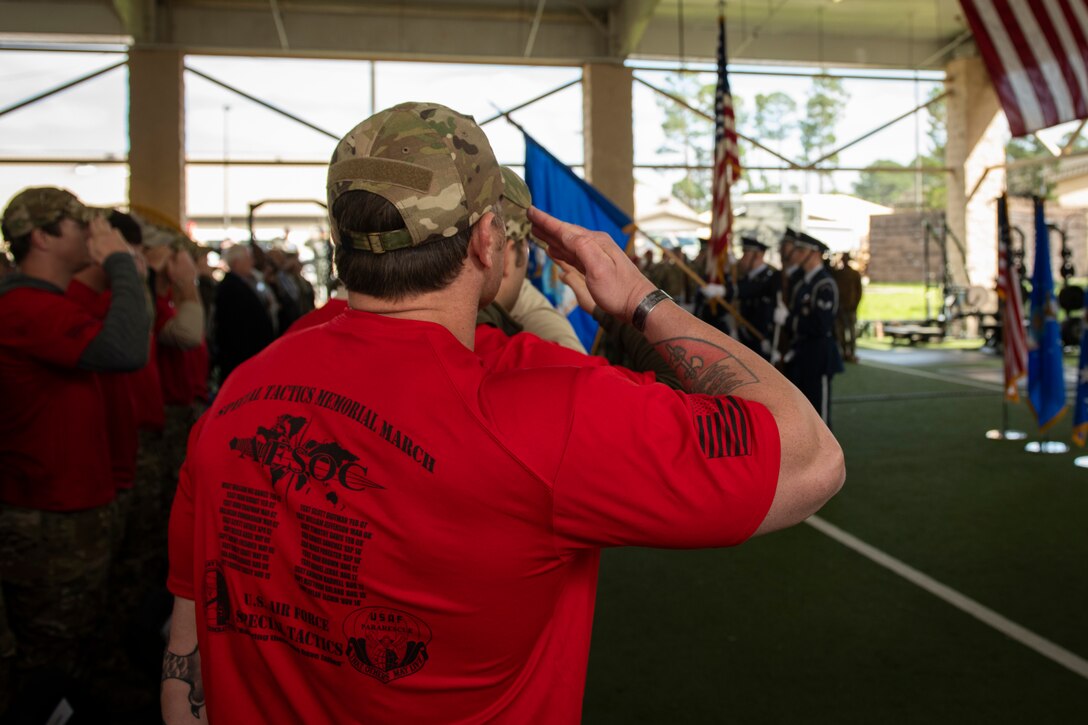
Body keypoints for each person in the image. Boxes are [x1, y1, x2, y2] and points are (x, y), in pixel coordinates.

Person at [162, 102, 843, 724]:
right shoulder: (542, 401)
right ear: (488, 239)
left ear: (341, 241)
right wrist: (638, 296)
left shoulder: (239, 396)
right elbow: (811, 456)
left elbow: (185, 663)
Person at [0, 187, 149, 717]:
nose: (93, 234)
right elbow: (126, 349)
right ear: (40, 236)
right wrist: (122, 264)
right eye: (79, 224)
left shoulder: (46, 305)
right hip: (47, 512)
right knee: (47, 657)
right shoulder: (24, 307)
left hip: (67, 504)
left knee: (71, 643)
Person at [775, 232, 844, 426]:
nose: (795, 254)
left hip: (818, 355)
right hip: (801, 354)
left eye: (801, 250)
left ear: (814, 254)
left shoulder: (824, 284)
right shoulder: (803, 283)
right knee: (802, 414)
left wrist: (788, 320)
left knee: (819, 416)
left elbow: (820, 326)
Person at [213, 244, 275, 382]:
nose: (252, 262)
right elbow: (235, 328)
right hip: (241, 358)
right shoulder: (230, 288)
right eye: (248, 259)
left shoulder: (242, 283)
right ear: (236, 263)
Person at [735, 237, 780, 359]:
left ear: (758, 255)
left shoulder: (770, 278)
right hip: (746, 337)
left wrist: (769, 339)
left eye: (746, 254)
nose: (742, 259)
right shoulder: (746, 278)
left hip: (761, 340)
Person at [833, 252, 863, 363]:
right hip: (840, 308)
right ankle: (843, 352)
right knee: (840, 333)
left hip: (850, 308)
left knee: (851, 333)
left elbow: (859, 291)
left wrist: (855, 304)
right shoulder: (837, 274)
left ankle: (851, 353)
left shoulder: (854, 274)